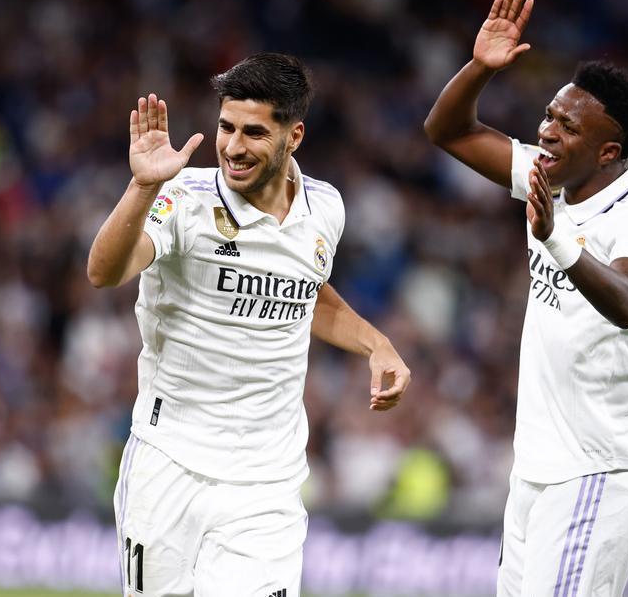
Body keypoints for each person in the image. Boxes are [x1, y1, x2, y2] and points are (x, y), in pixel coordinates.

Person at [88, 53, 412, 596]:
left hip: (267, 480)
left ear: (295, 135)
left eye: (254, 132)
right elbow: (104, 271)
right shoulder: (184, 200)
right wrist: (142, 187)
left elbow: (308, 289)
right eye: (226, 127)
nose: (234, 147)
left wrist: (376, 345)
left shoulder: (325, 209)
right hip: (171, 463)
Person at [424, 0, 628, 596]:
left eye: (568, 127)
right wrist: (481, 67)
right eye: (549, 117)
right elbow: (447, 131)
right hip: (536, 470)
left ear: (607, 152)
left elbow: (626, 301)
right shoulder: (547, 179)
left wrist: (558, 238)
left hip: (599, 466)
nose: (547, 133)